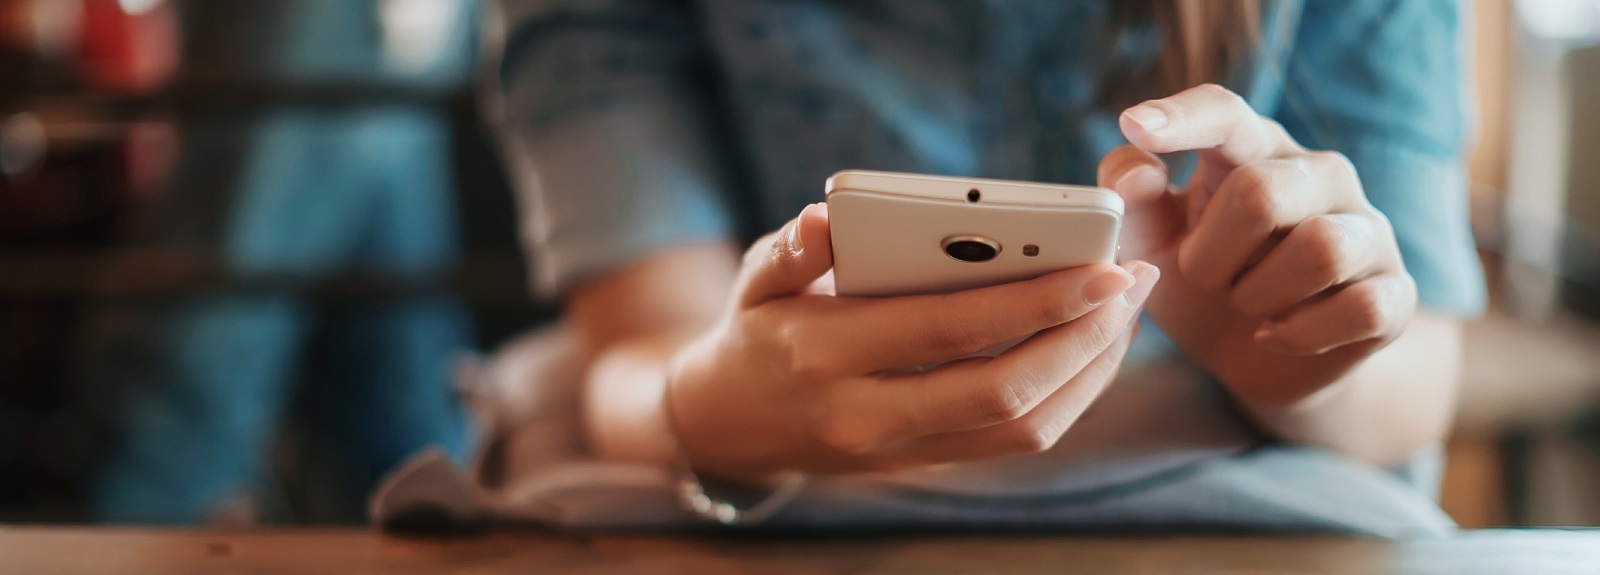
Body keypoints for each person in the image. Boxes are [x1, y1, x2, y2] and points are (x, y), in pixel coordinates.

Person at [491, 0, 1483, 534]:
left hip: (1235, 512)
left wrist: (1287, 352)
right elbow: (631, 361)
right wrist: (730, 406)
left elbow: (1412, 391)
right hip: (799, 513)